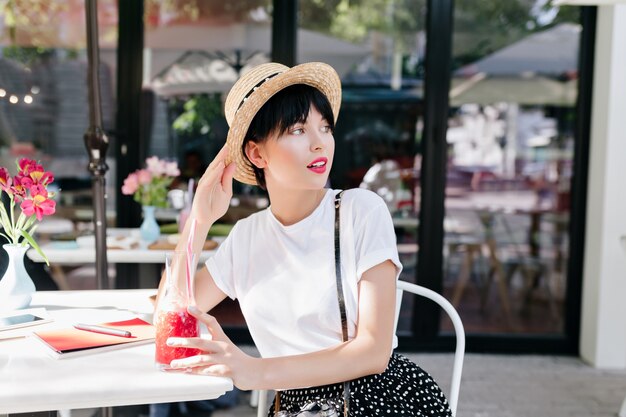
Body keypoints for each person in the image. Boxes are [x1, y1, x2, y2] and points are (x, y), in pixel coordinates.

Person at [159, 62, 452, 416]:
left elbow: (373, 352)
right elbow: (170, 313)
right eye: (298, 129)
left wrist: (253, 371)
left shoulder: (360, 210)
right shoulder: (247, 236)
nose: (320, 144)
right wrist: (199, 221)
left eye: (324, 127)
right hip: (295, 407)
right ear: (256, 153)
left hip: (374, 398)